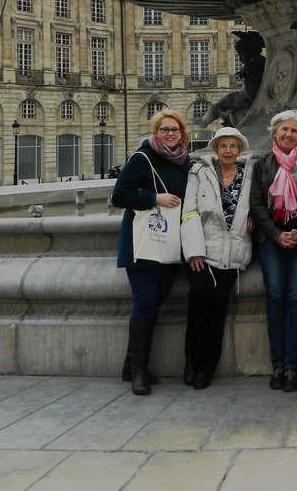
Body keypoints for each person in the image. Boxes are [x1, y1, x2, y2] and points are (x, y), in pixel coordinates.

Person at [111, 111, 192, 395]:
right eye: (164, 129)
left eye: (175, 130)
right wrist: (153, 197)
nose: (170, 134)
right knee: (145, 303)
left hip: (170, 243)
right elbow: (118, 196)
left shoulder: (185, 161)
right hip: (144, 243)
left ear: (182, 133)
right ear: (155, 132)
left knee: (155, 301)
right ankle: (138, 372)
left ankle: (129, 363)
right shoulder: (141, 159)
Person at [249, 109, 297, 392]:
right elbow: (256, 204)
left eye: (294, 130)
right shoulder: (262, 165)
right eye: (284, 130)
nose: (289, 134)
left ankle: (291, 366)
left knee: (295, 298)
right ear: (274, 133)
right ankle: (277, 364)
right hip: (272, 241)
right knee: (275, 298)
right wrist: (276, 234)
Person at [181, 126, 256, 389]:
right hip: (204, 251)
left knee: (219, 311)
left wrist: (255, 218)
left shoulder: (250, 174)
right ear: (215, 149)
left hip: (232, 252)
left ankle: (207, 368)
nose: (228, 150)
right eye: (223, 146)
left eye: (232, 146)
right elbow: (188, 212)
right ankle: (191, 359)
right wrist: (193, 251)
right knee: (200, 297)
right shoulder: (199, 172)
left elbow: (258, 203)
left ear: (239, 150)